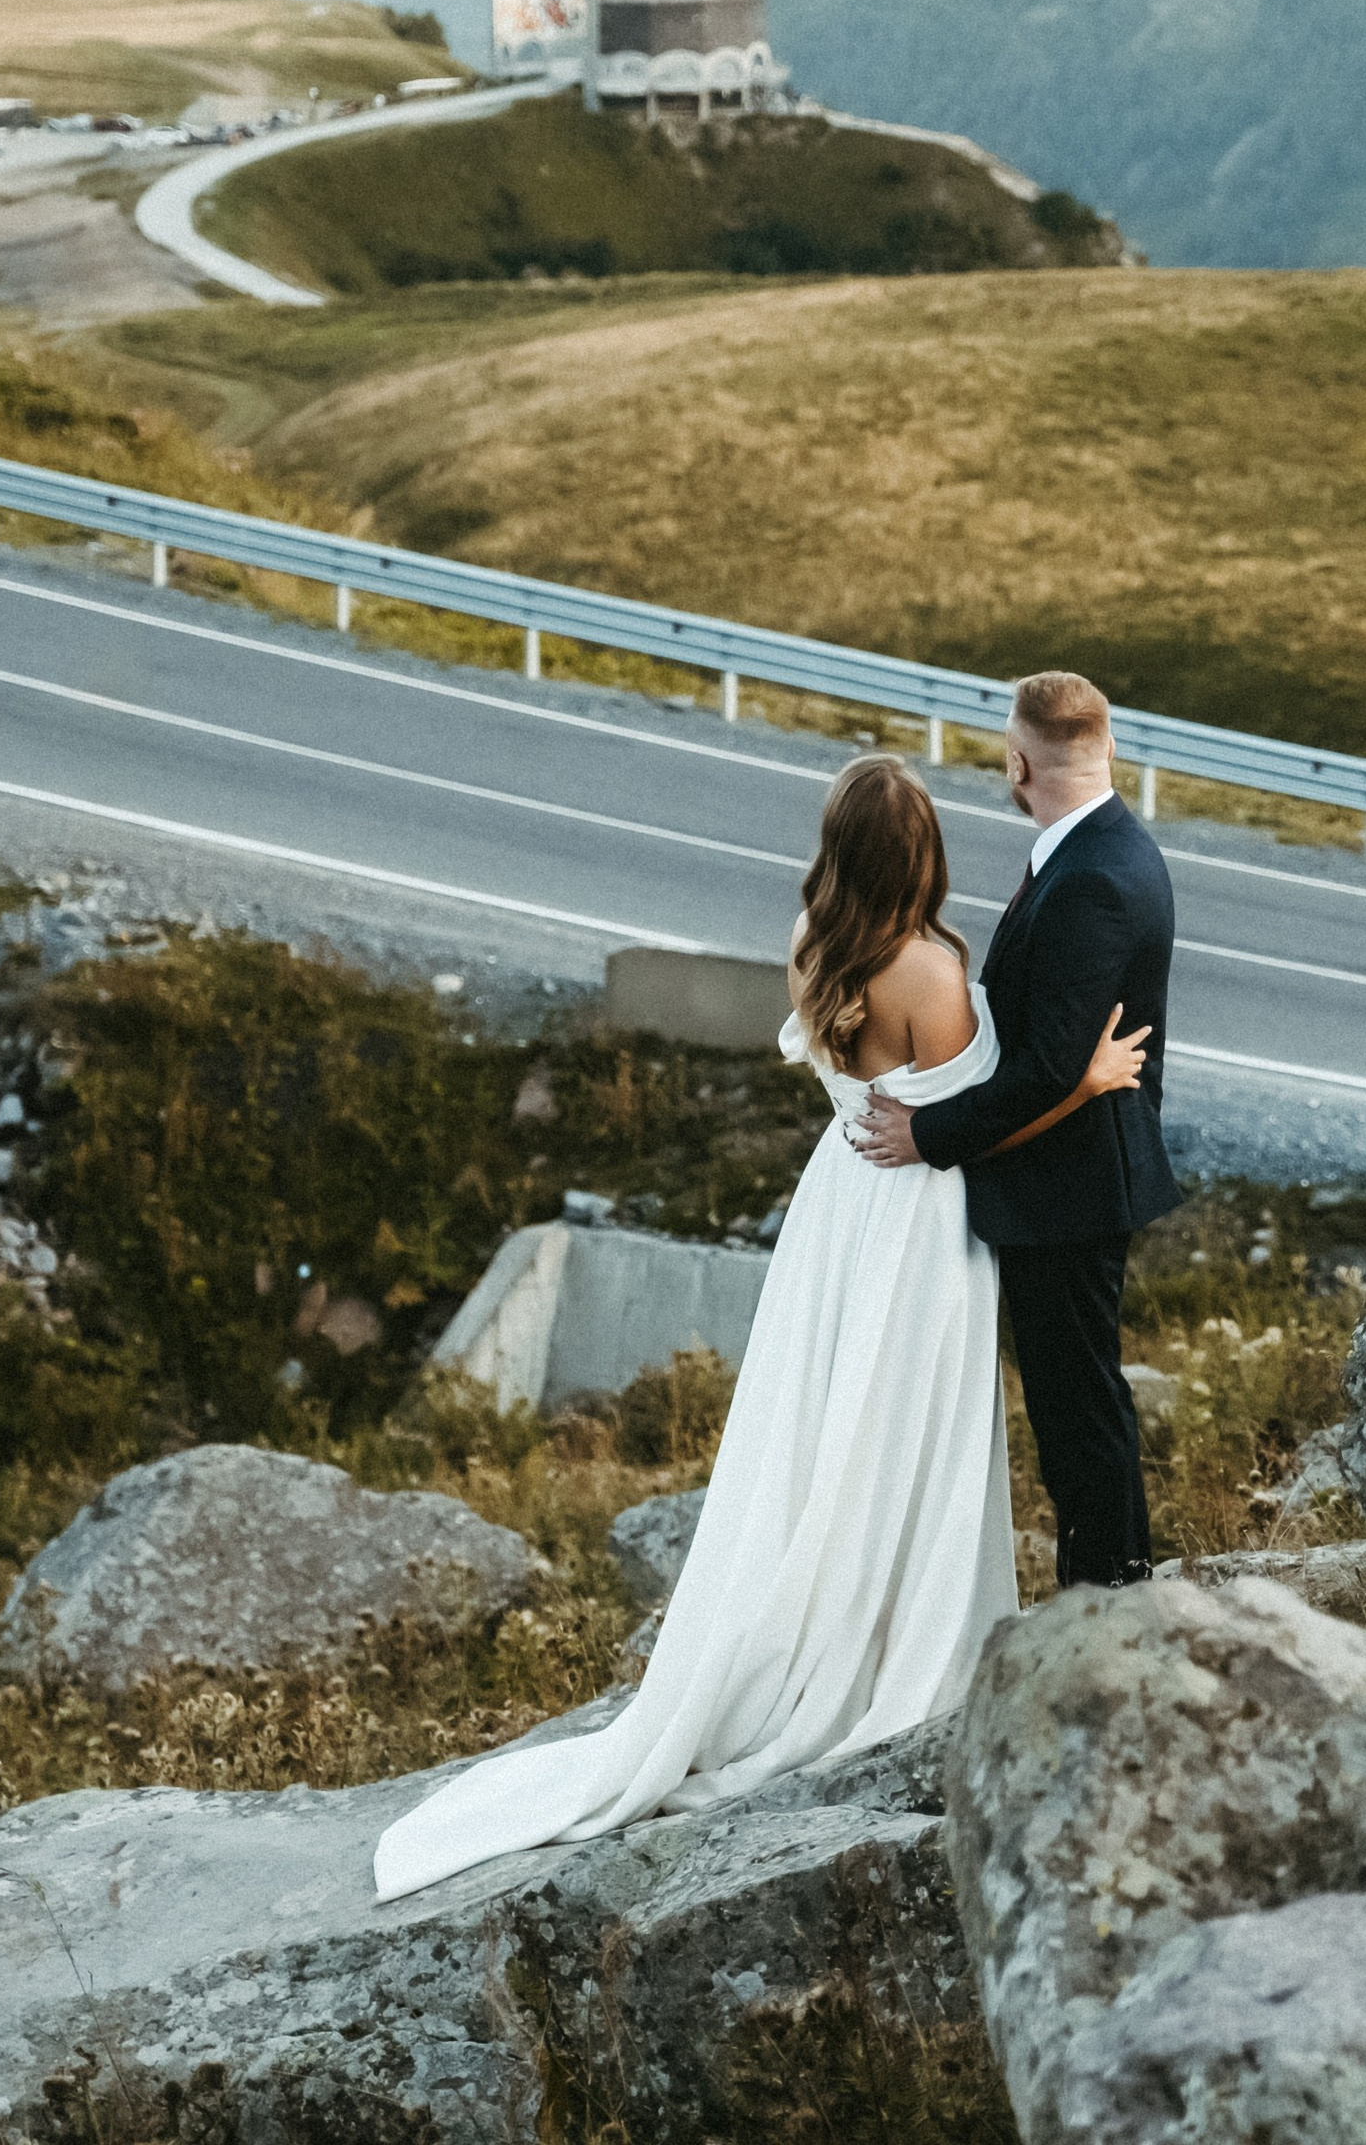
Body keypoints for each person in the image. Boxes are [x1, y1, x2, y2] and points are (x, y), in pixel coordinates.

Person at [371, 748, 1146, 1903]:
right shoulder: (929, 969)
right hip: (917, 1230)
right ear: (922, 853)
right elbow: (983, 1120)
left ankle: (830, 1615)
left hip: (837, 1207)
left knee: (834, 1426)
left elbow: (879, 1099)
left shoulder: (815, 947)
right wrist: (1084, 1080)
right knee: (906, 1434)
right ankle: (893, 1644)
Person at [850, 670, 1179, 1589]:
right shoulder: (1099, 846)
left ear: (1018, 760)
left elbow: (1045, 1071)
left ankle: (1109, 1583)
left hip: (1069, 1181)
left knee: (1076, 1398)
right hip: (1070, 1167)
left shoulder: (1092, 880)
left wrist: (928, 1133)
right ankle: (1105, 1577)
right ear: (1107, 747)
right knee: (1072, 1392)